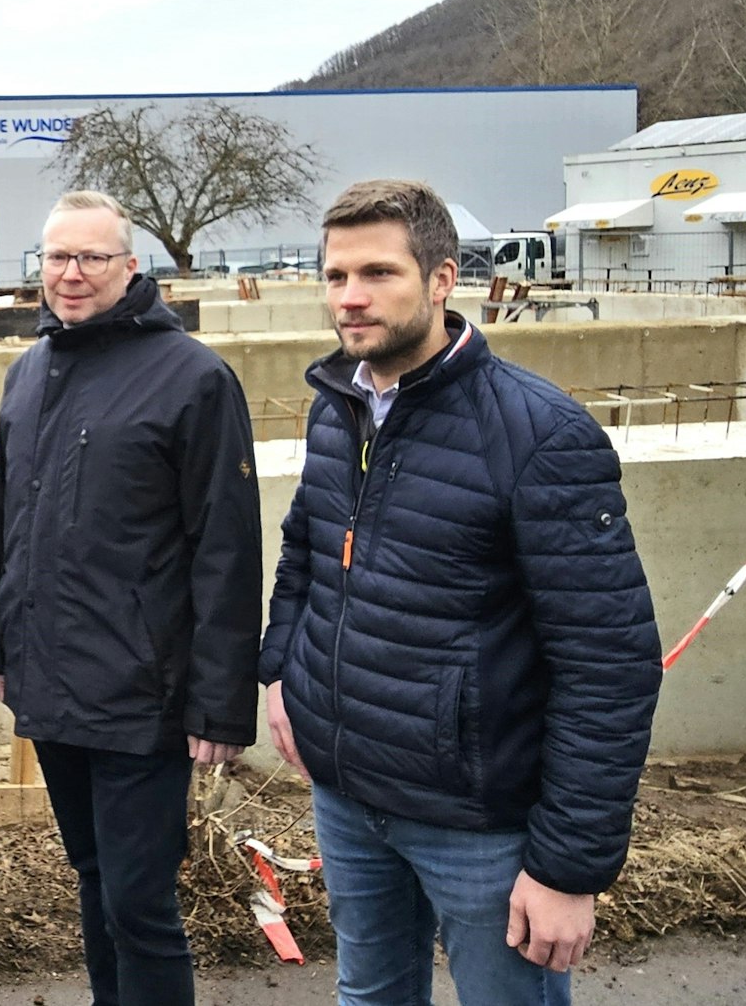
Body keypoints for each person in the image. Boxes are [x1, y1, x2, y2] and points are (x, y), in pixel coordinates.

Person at [262, 178, 662, 1004]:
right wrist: (281, 674)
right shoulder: (339, 406)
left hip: (478, 821)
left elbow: (610, 662)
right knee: (369, 994)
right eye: (335, 276)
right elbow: (306, 549)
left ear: (443, 279)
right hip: (349, 791)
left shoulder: (539, 435)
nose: (351, 298)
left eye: (378, 273)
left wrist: (565, 868)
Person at [0, 190, 264, 1006]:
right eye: (56, 258)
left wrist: (219, 705)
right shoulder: (30, 371)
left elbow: (226, 549)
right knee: (94, 878)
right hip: (54, 681)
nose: (70, 275)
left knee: (140, 902)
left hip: (143, 691)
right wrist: (6, 652)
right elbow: (14, 527)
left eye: (90, 258)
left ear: (130, 267)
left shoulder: (193, 378)